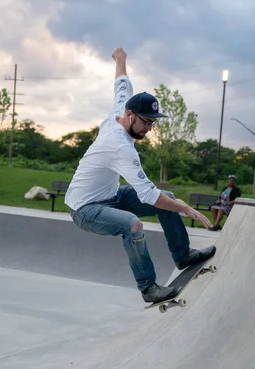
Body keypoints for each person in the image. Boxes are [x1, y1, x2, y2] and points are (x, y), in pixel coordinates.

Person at [65, 46, 216, 304]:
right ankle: (148, 288)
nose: (148, 129)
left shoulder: (120, 110)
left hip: (110, 195)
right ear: (131, 116)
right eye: (146, 122)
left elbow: (121, 84)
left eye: (152, 123)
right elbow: (148, 195)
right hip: (85, 208)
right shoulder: (120, 147)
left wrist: (120, 59)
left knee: (166, 197)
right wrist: (187, 210)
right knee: (133, 224)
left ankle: (182, 255)